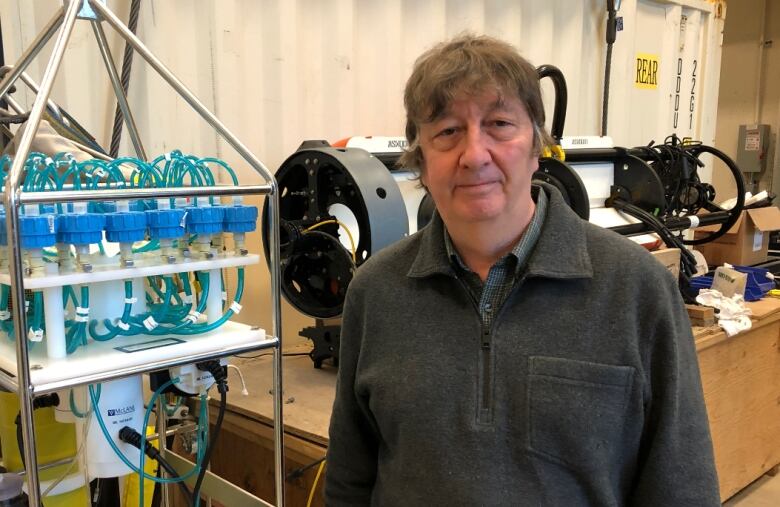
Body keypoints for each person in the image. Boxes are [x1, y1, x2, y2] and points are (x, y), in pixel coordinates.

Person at [325, 34, 720, 506]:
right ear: (421, 163)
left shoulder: (638, 290)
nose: (474, 154)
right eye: (447, 131)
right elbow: (349, 481)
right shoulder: (375, 293)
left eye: (499, 124)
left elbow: (682, 488)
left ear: (537, 147)